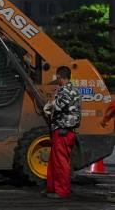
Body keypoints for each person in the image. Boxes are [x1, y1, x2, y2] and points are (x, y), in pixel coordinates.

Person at [43, 65, 81, 199]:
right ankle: (52, 188)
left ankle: (62, 191)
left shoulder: (65, 90)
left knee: (60, 162)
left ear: (59, 77)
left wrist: (50, 105)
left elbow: (58, 107)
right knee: (55, 161)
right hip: (64, 131)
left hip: (63, 131)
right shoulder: (73, 89)